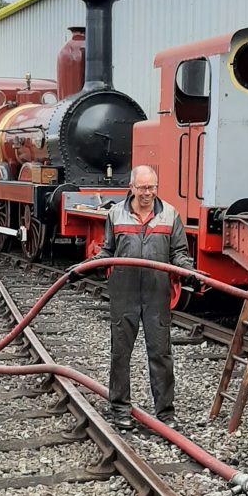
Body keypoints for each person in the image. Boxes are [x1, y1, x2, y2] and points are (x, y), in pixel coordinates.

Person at [95, 165, 193, 430]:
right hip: (124, 292)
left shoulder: (170, 215)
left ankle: (165, 413)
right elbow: (107, 250)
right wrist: (90, 265)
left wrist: (188, 269)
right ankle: (119, 409)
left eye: (152, 188)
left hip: (156, 294)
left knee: (160, 353)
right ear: (132, 187)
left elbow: (180, 252)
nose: (147, 193)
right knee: (120, 354)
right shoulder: (116, 214)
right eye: (142, 188)